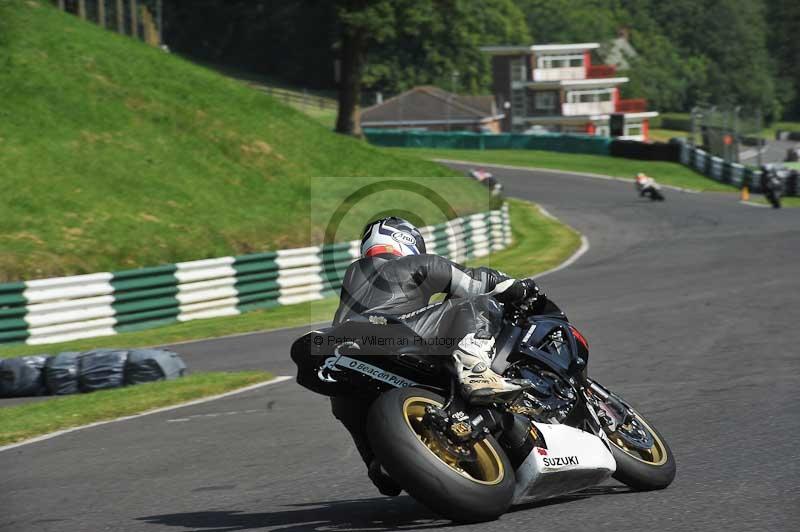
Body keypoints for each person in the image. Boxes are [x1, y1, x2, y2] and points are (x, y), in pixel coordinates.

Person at [330, 216, 537, 495]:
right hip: (393, 338)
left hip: (344, 372)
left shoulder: (353, 284)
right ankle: (476, 372)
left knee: (377, 463)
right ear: (407, 241)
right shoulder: (408, 264)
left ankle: (379, 461)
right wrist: (519, 287)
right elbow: (478, 281)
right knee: (475, 301)